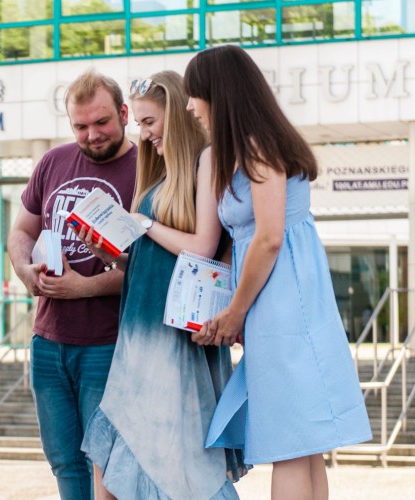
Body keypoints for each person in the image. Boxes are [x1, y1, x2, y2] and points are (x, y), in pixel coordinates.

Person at [185, 45, 372, 499]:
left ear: (220, 94)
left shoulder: (257, 146)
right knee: (305, 445)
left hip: (285, 306)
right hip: (281, 304)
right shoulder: (245, 149)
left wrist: (234, 313)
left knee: (290, 442)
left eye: (196, 95)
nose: (191, 106)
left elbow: (268, 238)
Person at [76, 71, 245, 499]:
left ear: (179, 114)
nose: (145, 134)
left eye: (150, 122)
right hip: (139, 329)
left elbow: (202, 246)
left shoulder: (205, 163)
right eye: (141, 124)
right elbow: (149, 262)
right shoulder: (161, 175)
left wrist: (144, 223)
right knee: (114, 464)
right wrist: (106, 250)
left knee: (172, 463)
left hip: (171, 338)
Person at [7, 68, 137, 500]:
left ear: (123, 113)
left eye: (101, 123)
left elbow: (154, 270)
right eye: (80, 126)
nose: (92, 135)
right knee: (62, 459)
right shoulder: (54, 161)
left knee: (105, 462)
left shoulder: (148, 169)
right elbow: (20, 231)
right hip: (48, 339)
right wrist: (25, 271)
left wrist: (87, 288)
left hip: (109, 342)